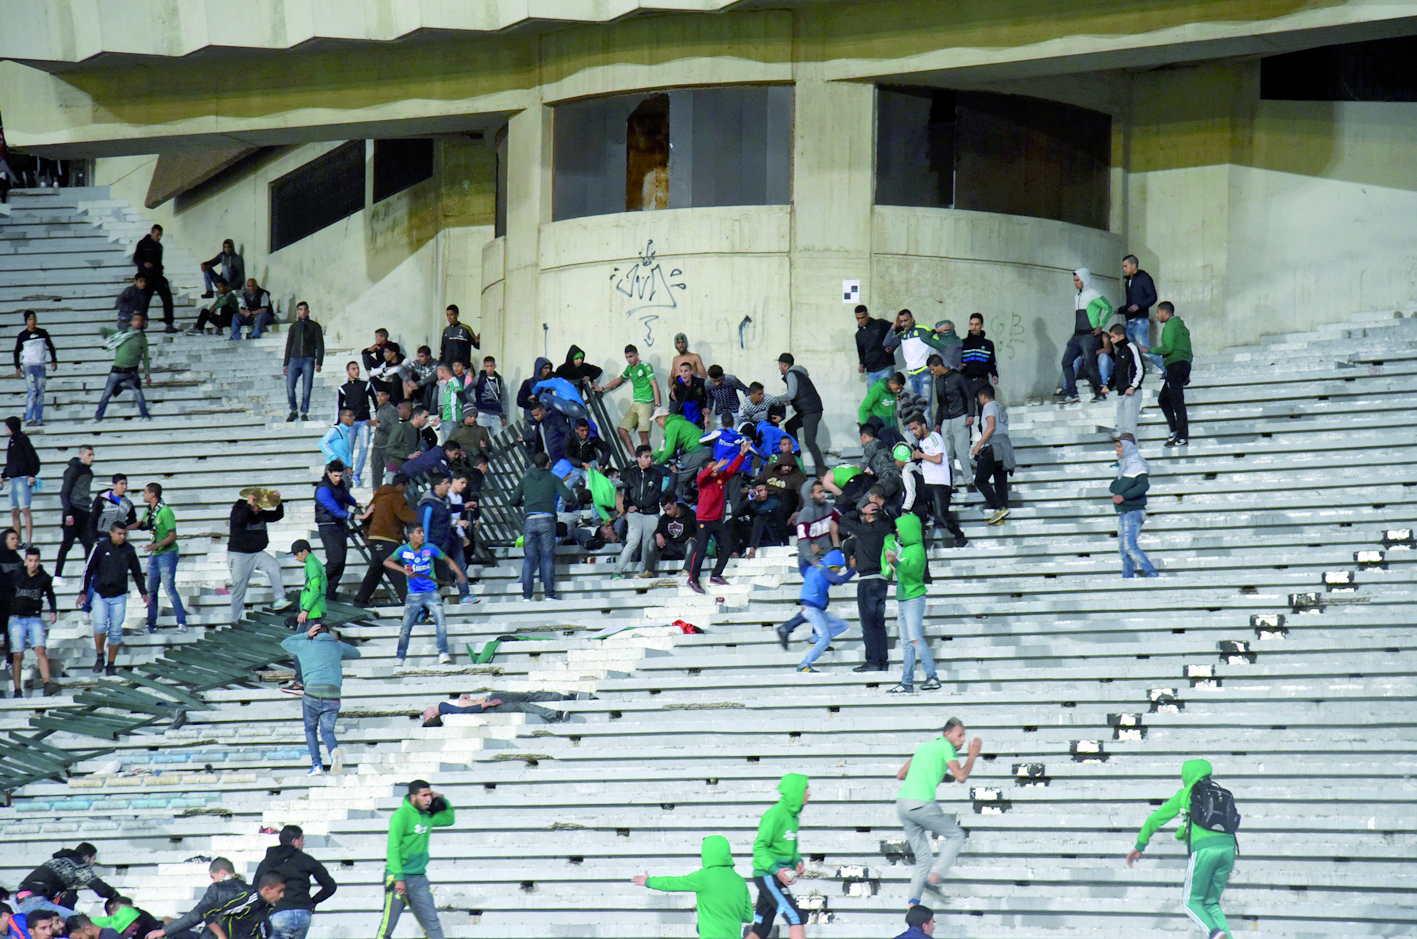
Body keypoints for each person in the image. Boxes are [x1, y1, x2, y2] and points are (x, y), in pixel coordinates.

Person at [1125, 759, 1238, 939]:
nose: (1181, 778)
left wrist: (1140, 846)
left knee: (1190, 901)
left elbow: (1155, 819)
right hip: (1229, 849)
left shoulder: (1186, 794)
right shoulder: (1219, 794)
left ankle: (1214, 932)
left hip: (1204, 850)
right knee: (1211, 903)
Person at [895, 718, 981, 904]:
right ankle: (934, 879)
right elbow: (961, 776)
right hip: (921, 803)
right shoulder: (946, 747)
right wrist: (972, 755)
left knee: (924, 860)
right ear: (947, 734)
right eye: (960, 735)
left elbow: (901, 774)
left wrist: (939, 775)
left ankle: (913, 905)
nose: (963, 740)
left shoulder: (925, 748)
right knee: (956, 835)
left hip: (903, 805)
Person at [630, 835, 752, 939]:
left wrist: (649, 881)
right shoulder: (740, 881)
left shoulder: (703, 877)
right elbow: (748, 916)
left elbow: (673, 883)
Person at [377, 780, 455, 939]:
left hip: (419, 878)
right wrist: (398, 877)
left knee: (432, 925)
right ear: (413, 797)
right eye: (424, 795)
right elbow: (393, 848)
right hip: (398, 878)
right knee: (387, 927)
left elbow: (449, 819)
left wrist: (443, 799)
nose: (428, 799)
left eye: (430, 795)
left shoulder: (428, 816)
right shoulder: (401, 815)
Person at [281, 622, 361, 775]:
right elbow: (356, 653)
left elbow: (285, 643)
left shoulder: (305, 645)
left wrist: (306, 634)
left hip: (312, 693)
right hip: (333, 695)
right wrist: (335, 641)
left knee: (310, 729)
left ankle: (317, 764)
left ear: (314, 633)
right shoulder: (337, 646)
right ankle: (333, 753)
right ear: (329, 633)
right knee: (327, 731)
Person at [385, 525, 468, 667]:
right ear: (410, 535)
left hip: (431, 592)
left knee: (441, 622)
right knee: (406, 627)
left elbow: (448, 559)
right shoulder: (403, 550)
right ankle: (400, 656)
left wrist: (460, 573)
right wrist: (403, 570)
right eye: (419, 532)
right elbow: (387, 561)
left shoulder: (430, 548)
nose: (422, 535)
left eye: (423, 532)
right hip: (413, 594)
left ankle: (443, 652)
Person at [745, 774, 809, 939]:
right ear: (795, 791)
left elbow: (790, 848)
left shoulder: (793, 817)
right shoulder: (775, 814)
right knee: (795, 917)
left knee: (761, 927)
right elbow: (759, 847)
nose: (809, 793)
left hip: (776, 876)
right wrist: (775, 870)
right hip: (768, 875)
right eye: (805, 789)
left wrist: (797, 861)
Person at [80, 523, 148, 677]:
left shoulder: (129, 550)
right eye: (119, 534)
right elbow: (89, 570)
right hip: (101, 594)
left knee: (116, 631)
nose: (122, 537)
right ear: (111, 533)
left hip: (119, 595)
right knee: (100, 625)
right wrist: (83, 591)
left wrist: (143, 592)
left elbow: (137, 572)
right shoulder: (101, 547)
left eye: (124, 534)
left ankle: (111, 664)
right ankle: (99, 656)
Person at [686, 438, 750, 594]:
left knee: (727, 546)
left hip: (716, 520)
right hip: (703, 520)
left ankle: (716, 575)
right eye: (712, 466)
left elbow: (733, 468)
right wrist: (714, 467)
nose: (716, 468)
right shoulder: (703, 481)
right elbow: (700, 477)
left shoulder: (721, 478)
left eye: (716, 466)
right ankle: (693, 579)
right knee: (701, 550)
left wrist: (741, 454)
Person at [509, 453, 575, 601]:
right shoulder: (553, 478)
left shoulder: (525, 480)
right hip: (547, 520)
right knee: (547, 558)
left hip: (529, 520)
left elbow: (513, 500)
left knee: (529, 559)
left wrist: (525, 504)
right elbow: (568, 496)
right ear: (548, 465)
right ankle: (549, 595)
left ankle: (526, 596)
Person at [885, 514, 938, 694]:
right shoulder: (907, 549)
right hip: (904, 598)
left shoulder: (917, 549)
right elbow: (903, 571)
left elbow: (914, 572)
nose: (897, 530)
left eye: (900, 527)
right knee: (907, 643)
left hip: (913, 598)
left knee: (915, 638)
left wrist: (896, 565)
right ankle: (907, 682)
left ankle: (932, 676)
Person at [253, 826, 337, 939]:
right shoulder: (306, 859)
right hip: (303, 913)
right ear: (294, 841)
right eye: (302, 839)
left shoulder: (267, 861)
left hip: (278, 912)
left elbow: (255, 887)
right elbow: (330, 886)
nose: (303, 843)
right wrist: (313, 901)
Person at [840, 490, 891, 673]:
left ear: (869, 516)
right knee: (879, 624)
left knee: (868, 624)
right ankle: (882, 661)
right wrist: (876, 509)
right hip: (882, 581)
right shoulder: (886, 528)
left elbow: (844, 520)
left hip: (867, 582)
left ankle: (872, 661)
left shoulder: (865, 530)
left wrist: (862, 508)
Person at [354, 474, 418, 606]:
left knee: (376, 571)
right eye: (406, 487)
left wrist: (367, 535)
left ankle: (360, 600)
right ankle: (409, 601)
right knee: (396, 570)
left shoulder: (378, 496)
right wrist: (421, 513)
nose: (405, 490)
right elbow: (406, 515)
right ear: (401, 486)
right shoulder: (397, 496)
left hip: (374, 538)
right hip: (388, 538)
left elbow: (367, 516)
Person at [228, 489, 291, 622]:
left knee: (274, 566)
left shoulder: (261, 513)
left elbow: (277, 516)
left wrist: (278, 502)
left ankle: (280, 598)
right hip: (239, 554)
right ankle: (235, 620)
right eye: (258, 505)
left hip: (257, 553)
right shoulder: (240, 508)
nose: (260, 509)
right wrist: (248, 506)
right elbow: (238, 520)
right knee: (239, 589)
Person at [142, 857, 245, 939]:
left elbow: (196, 914)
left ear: (222, 873)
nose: (213, 881)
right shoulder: (249, 890)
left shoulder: (217, 888)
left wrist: (164, 931)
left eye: (213, 877)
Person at [791, 548, 855, 673]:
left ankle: (815, 638)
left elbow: (802, 565)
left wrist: (808, 554)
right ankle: (804, 664)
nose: (839, 571)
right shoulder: (824, 570)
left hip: (815, 609)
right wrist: (853, 568)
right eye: (839, 568)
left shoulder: (813, 568)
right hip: (811, 609)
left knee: (842, 625)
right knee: (825, 638)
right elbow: (840, 580)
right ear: (833, 565)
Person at [907, 417, 967, 548]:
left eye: (915, 428)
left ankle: (960, 536)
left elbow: (938, 458)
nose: (914, 432)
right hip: (927, 482)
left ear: (923, 426)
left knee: (942, 513)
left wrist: (921, 456)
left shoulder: (934, 437)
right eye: (911, 430)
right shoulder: (921, 443)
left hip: (939, 482)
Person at [883, 310, 952, 422]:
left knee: (926, 410)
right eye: (901, 322)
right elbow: (886, 343)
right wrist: (894, 326)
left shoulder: (923, 329)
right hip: (911, 375)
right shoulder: (902, 335)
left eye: (906, 320)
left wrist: (939, 331)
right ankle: (918, 438)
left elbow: (940, 343)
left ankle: (928, 438)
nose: (904, 323)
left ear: (912, 319)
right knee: (913, 411)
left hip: (924, 373)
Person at [416, 475, 474, 605]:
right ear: (437, 486)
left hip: (449, 539)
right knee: (437, 575)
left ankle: (465, 594)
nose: (449, 486)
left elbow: (450, 508)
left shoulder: (445, 500)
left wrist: (463, 506)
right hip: (434, 544)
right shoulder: (428, 505)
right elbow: (422, 525)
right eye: (446, 483)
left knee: (460, 564)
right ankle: (425, 607)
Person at [15, 844, 117, 917]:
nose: (93, 863)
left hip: (22, 901)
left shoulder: (60, 860)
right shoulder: (78, 863)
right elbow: (99, 887)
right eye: (93, 859)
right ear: (86, 857)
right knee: (79, 921)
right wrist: (115, 895)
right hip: (36, 901)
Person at [1060, 268, 1115, 404]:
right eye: (1074, 280)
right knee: (1066, 361)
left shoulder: (1093, 294)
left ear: (1084, 279)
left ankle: (1099, 393)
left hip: (1089, 335)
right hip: (1077, 335)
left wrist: (1100, 325)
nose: (1075, 283)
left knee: (1090, 364)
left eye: (1077, 280)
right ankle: (1072, 393)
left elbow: (1109, 308)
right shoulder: (1077, 296)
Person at [138, 482, 186, 634]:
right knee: (151, 590)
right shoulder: (149, 511)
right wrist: (124, 527)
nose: (143, 495)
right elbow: (142, 524)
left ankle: (181, 623)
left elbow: (173, 535)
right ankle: (151, 625)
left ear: (152, 494)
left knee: (169, 588)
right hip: (155, 554)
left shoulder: (165, 511)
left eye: (145, 492)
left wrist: (157, 545)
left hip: (167, 553)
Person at [9, 546, 57, 697]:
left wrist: (53, 610)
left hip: (34, 617)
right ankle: (17, 689)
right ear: (26, 561)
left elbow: (51, 595)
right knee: (18, 654)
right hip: (16, 618)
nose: (33, 564)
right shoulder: (16, 575)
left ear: (39, 560)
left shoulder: (44, 578)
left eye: (36, 561)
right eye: (30, 561)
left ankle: (47, 683)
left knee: (40, 650)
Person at [1143, 301, 1193, 447]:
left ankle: (1182, 436)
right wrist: (1187, 370)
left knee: (1177, 401)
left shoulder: (1170, 326)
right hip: (1183, 365)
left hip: (1174, 365)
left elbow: (1167, 348)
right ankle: (1174, 431)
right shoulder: (1182, 327)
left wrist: (1149, 350)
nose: (1157, 316)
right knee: (1163, 399)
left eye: (1158, 312)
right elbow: (1190, 352)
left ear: (1165, 313)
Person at [314, 462, 365, 602]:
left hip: (339, 526)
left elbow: (346, 497)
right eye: (335, 476)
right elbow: (336, 511)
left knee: (341, 561)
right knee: (335, 559)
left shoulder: (340, 484)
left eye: (340, 476)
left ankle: (330, 592)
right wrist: (358, 516)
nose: (337, 478)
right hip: (327, 525)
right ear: (328, 473)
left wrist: (356, 504)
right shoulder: (323, 489)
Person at [615, 446, 668, 578]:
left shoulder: (656, 474)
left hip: (651, 513)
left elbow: (654, 496)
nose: (650, 459)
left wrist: (636, 506)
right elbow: (627, 496)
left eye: (650, 457)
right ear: (638, 458)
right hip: (636, 514)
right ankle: (617, 570)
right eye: (646, 457)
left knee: (647, 543)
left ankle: (643, 572)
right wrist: (628, 508)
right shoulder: (631, 475)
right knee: (633, 540)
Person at [595, 344, 660, 451]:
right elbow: (619, 379)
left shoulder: (645, 366)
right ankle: (635, 458)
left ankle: (648, 460)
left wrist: (657, 405)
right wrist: (602, 388)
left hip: (646, 403)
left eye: (631, 356)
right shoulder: (629, 369)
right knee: (621, 430)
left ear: (637, 354)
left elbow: (654, 384)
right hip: (636, 403)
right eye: (627, 357)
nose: (629, 360)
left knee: (643, 433)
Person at [1111, 434, 1159, 579]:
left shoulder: (1137, 464)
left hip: (1134, 510)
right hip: (1125, 510)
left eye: (1119, 447)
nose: (1116, 450)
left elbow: (1144, 485)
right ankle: (1127, 577)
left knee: (1129, 546)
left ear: (1128, 447)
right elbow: (1113, 487)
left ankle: (1152, 574)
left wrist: (1124, 496)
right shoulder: (1125, 465)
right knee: (1123, 548)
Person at [93, 312, 151, 422]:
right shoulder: (121, 334)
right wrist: (104, 333)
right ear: (131, 322)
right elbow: (103, 329)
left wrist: (147, 373)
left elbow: (146, 358)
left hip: (131, 372)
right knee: (106, 394)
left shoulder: (142, 339)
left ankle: (145, 415)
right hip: (117, 370)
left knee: (138, 393)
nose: (137, 322)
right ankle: (97, 417)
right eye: (135, 320)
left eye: (139, 320)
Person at [971, 385, 1014, 526]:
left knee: (980, 480)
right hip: (1005, 446)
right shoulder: (1001, 407)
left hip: (994, 446)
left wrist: (978, 444)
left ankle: (998, 508)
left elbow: (991, 427)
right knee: (1000, 482)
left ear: (983, 396)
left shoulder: (989, 406)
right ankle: (1001, 516)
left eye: (979, 397)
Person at [776, 353, 825, 477]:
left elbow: (791, 395)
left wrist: (774, 399)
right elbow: (795, 397)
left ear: (784, 365)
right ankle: (794, 457)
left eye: (779, 365)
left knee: (809, 441)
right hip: (807, 411)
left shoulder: (791, 374)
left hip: (811, 412)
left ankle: (822, 472)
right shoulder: (797, 374)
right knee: (790, 425)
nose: (779, 368)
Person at [927, 353, 972, 484]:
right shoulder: (938, 381)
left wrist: (970, 414)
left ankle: (969, 480)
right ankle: (952, 482)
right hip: (946, 419)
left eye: (933, 369)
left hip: (960, 416)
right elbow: (940, 403)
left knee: (961, 450)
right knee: (947, 452)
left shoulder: (957, 377)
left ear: (939, 366)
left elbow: (968, 396)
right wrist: (938, 423)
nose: (932, 372)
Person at [54, 446, 96, 585]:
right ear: (81, 455)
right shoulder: (73, 470)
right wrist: (68, 513)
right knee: (67, 544)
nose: (92, 458)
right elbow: (64, 492)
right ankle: (57, 576)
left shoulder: (89, 471)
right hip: (73, 511)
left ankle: (87, 576)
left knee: (89, 545)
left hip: (85, 511)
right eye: (89, 455)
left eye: (93, 455)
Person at [14, 311, 58, 427]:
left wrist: (54, 360)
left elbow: (51, 347)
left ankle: (39, 419)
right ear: (26, 321)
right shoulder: (22, 335)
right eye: (29, 319)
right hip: (29, 366)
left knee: (41, 393)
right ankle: (29, 418)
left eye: (33, 319)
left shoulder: (42, 333)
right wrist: (18, 367)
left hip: (41, 366)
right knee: (32, 391)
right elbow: (16, 351)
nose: (32, 322)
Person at [282, 303, 324, 422]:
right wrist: (285, 363)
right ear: (297, 312)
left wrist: (319, 362)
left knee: (307, 387)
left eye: (305, 310)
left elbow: (320, 345)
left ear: (308, 311)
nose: (303, 312)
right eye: (300, 310)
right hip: (294, 359)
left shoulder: (315, 326)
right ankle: (293, 410)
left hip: (308, 359)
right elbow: (289, 345)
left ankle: (304, 412)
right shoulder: (294, 327)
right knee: (290, 386)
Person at [337, 365, 377, 486]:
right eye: (353, 369)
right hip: (350, 423)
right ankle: (348, 473)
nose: (357, 371)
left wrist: (378, 415)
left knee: (364, 448)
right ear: (348, 371)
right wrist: (338, 424)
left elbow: (375, 400)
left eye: (358, 368)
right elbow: (338, 407)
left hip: (364, 421)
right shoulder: (343, 388)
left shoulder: (366, 384)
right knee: (348, 449)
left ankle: (357, 475)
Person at [3, 417, 40, 545]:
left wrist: (32, 474)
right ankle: (17, 541)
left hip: (23, 478)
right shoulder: (11, 440)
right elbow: (11, 463)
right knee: (14, 510)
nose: (6, 429)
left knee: (25, 509)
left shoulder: (23, 439)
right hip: (13, 479)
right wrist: (3, 475)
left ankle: (29, 540)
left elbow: (33, 458)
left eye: (7, 426)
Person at [1108, 322, 1146, 439]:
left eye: (1113, 337)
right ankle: (1125, 453)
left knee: (1130, 428)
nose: (1111, 340)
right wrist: (1108, 386)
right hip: (1121, 393)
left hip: (1131, 392)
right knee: (1121, 428)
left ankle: (1133, 453)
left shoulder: (1131, 348)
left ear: (1121, 336)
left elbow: (1140, 369)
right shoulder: (1120, 352)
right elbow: (1116, 371)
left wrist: (1133, 386)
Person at [133, 225, 174, 333]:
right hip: (146, 277)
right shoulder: (142, 244)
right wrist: (144, 264)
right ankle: (140, 325)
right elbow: (135, 258)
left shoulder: (159, 246)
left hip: (157, 276)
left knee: (167, 299)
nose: (159, 237)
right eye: (157, 235)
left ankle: (169, 323)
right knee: (144, 302)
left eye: (160, 235)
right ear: (152, 233)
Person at [960, 313, 998, 421]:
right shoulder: (963, 343)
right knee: (968, 413)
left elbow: (992, 362)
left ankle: (985, 436)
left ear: (982, 325)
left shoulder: (988, 344)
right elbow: (956, 361)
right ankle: (969, 438)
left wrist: (994, 375)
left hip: (983, 381)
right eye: (971, 324)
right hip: (966, 381)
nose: (974, 327)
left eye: (977, 324)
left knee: (984, 411)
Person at [1120, 254, 1157, 350]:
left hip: (1140, 321)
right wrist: (1120, 310)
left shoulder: (1144, 278)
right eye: (1123, 267)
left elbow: (1153, 297)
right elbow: (1130, 304)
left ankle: (1163, 365)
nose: (1124, 269)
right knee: (1127, 351)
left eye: (1125, 266)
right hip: (1129, 322)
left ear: (1133, 265)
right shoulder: (1127, 282)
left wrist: (1139, 306)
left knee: (1145, 350)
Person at [854, 304, 896, 387]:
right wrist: (862, 365)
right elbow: (861, 352)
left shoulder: (880, 324)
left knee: (886, 397)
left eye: (862, 318)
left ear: (867, 315)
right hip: (870, 372)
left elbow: (897, 329)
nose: (860, 321)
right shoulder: (858, 335)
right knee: (872, 398)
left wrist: (894, 346)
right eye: (857, 318)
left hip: (885, 367)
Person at [291, 540, 326, 634]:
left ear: (305, 552)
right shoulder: (313, 563)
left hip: (314, 610)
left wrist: (305, 610)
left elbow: (315, 589)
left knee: (302, 642)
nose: (295, 558)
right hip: (315, 609)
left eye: (296, 554)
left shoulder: (312, 564)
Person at [367, 389, 399, 490]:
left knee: (390, 477)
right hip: (377, 447)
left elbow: (395, 430)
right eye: (377, 396)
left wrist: (382, 426)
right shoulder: (379, 409)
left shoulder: (392, 410)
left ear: (388, 396)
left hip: (387, 448)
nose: (379, 399)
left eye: (382, 396)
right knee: (376, 477)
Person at [653, 498, 694, 574]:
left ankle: (686, 570)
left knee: (692, 543)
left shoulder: (690, 514)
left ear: (675, 504)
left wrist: (693, 537)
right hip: (671, 547)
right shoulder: (665, 517)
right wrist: (658, 534)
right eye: (665, 510)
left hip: (684, 546)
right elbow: (659, 529)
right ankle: (648, 571)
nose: (668, 512)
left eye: (669, 509)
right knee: (652, 541)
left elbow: (697, 531)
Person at [472, 356, 507, 430]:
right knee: (481, 438)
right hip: (482, 412)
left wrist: (504, 416)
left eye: (491, 366)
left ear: (495, 366)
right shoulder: (479, 378)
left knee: (500, 438)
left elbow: (503, 397)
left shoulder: (499, 379)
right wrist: (474, 404)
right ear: (484, 367)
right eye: (487, 366)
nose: (489, 368)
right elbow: (468, 391)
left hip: (496, 413)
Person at [439, 305, 478, 370]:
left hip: (462, 368)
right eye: (447, 315)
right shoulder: (446, 330)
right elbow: (443, 350)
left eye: (451, 315)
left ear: (457, 315)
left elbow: (477, 345)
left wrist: (478, 341)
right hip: (448, 368)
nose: (449, 317)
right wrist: (440, 364)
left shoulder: (466, 329)